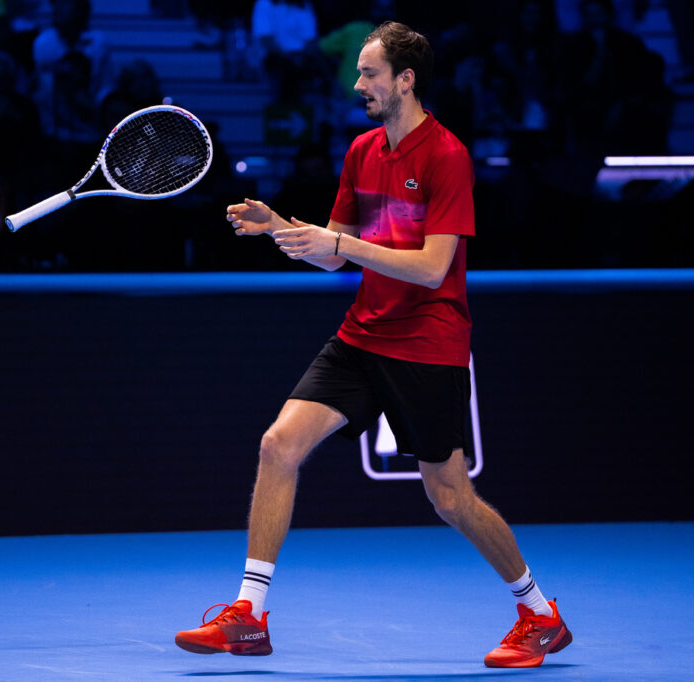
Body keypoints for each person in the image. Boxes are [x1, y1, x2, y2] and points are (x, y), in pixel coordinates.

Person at [174, 21, 572, 669]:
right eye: (359, 73)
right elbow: (334, 255)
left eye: (369, 73)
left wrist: (341, 245)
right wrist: (283, 227)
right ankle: (248, 615)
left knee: (450, 500)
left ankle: (539, 612)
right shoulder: (362, 151)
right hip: (363, 335)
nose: (358, 84)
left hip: (428, 345)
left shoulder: (447, 157)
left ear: (405, 80)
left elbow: (431, 268)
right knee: (279, 444)